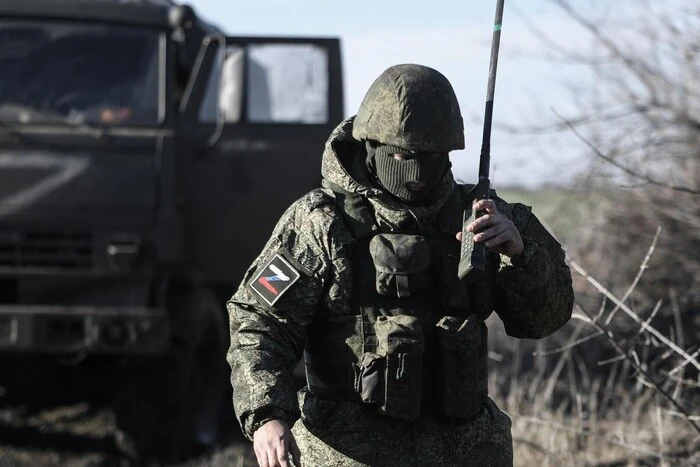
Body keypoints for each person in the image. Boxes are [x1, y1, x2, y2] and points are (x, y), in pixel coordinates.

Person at [227, 64, 574, 467]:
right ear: (372, 146)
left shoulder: (486, 217)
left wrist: (520, 256)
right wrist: (267, 415)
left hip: (464, 450)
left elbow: (546, 319)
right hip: (346, 450)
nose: (417, 173)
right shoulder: (320, 222)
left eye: (432, 157)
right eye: (404, 157)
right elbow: (259, 321)